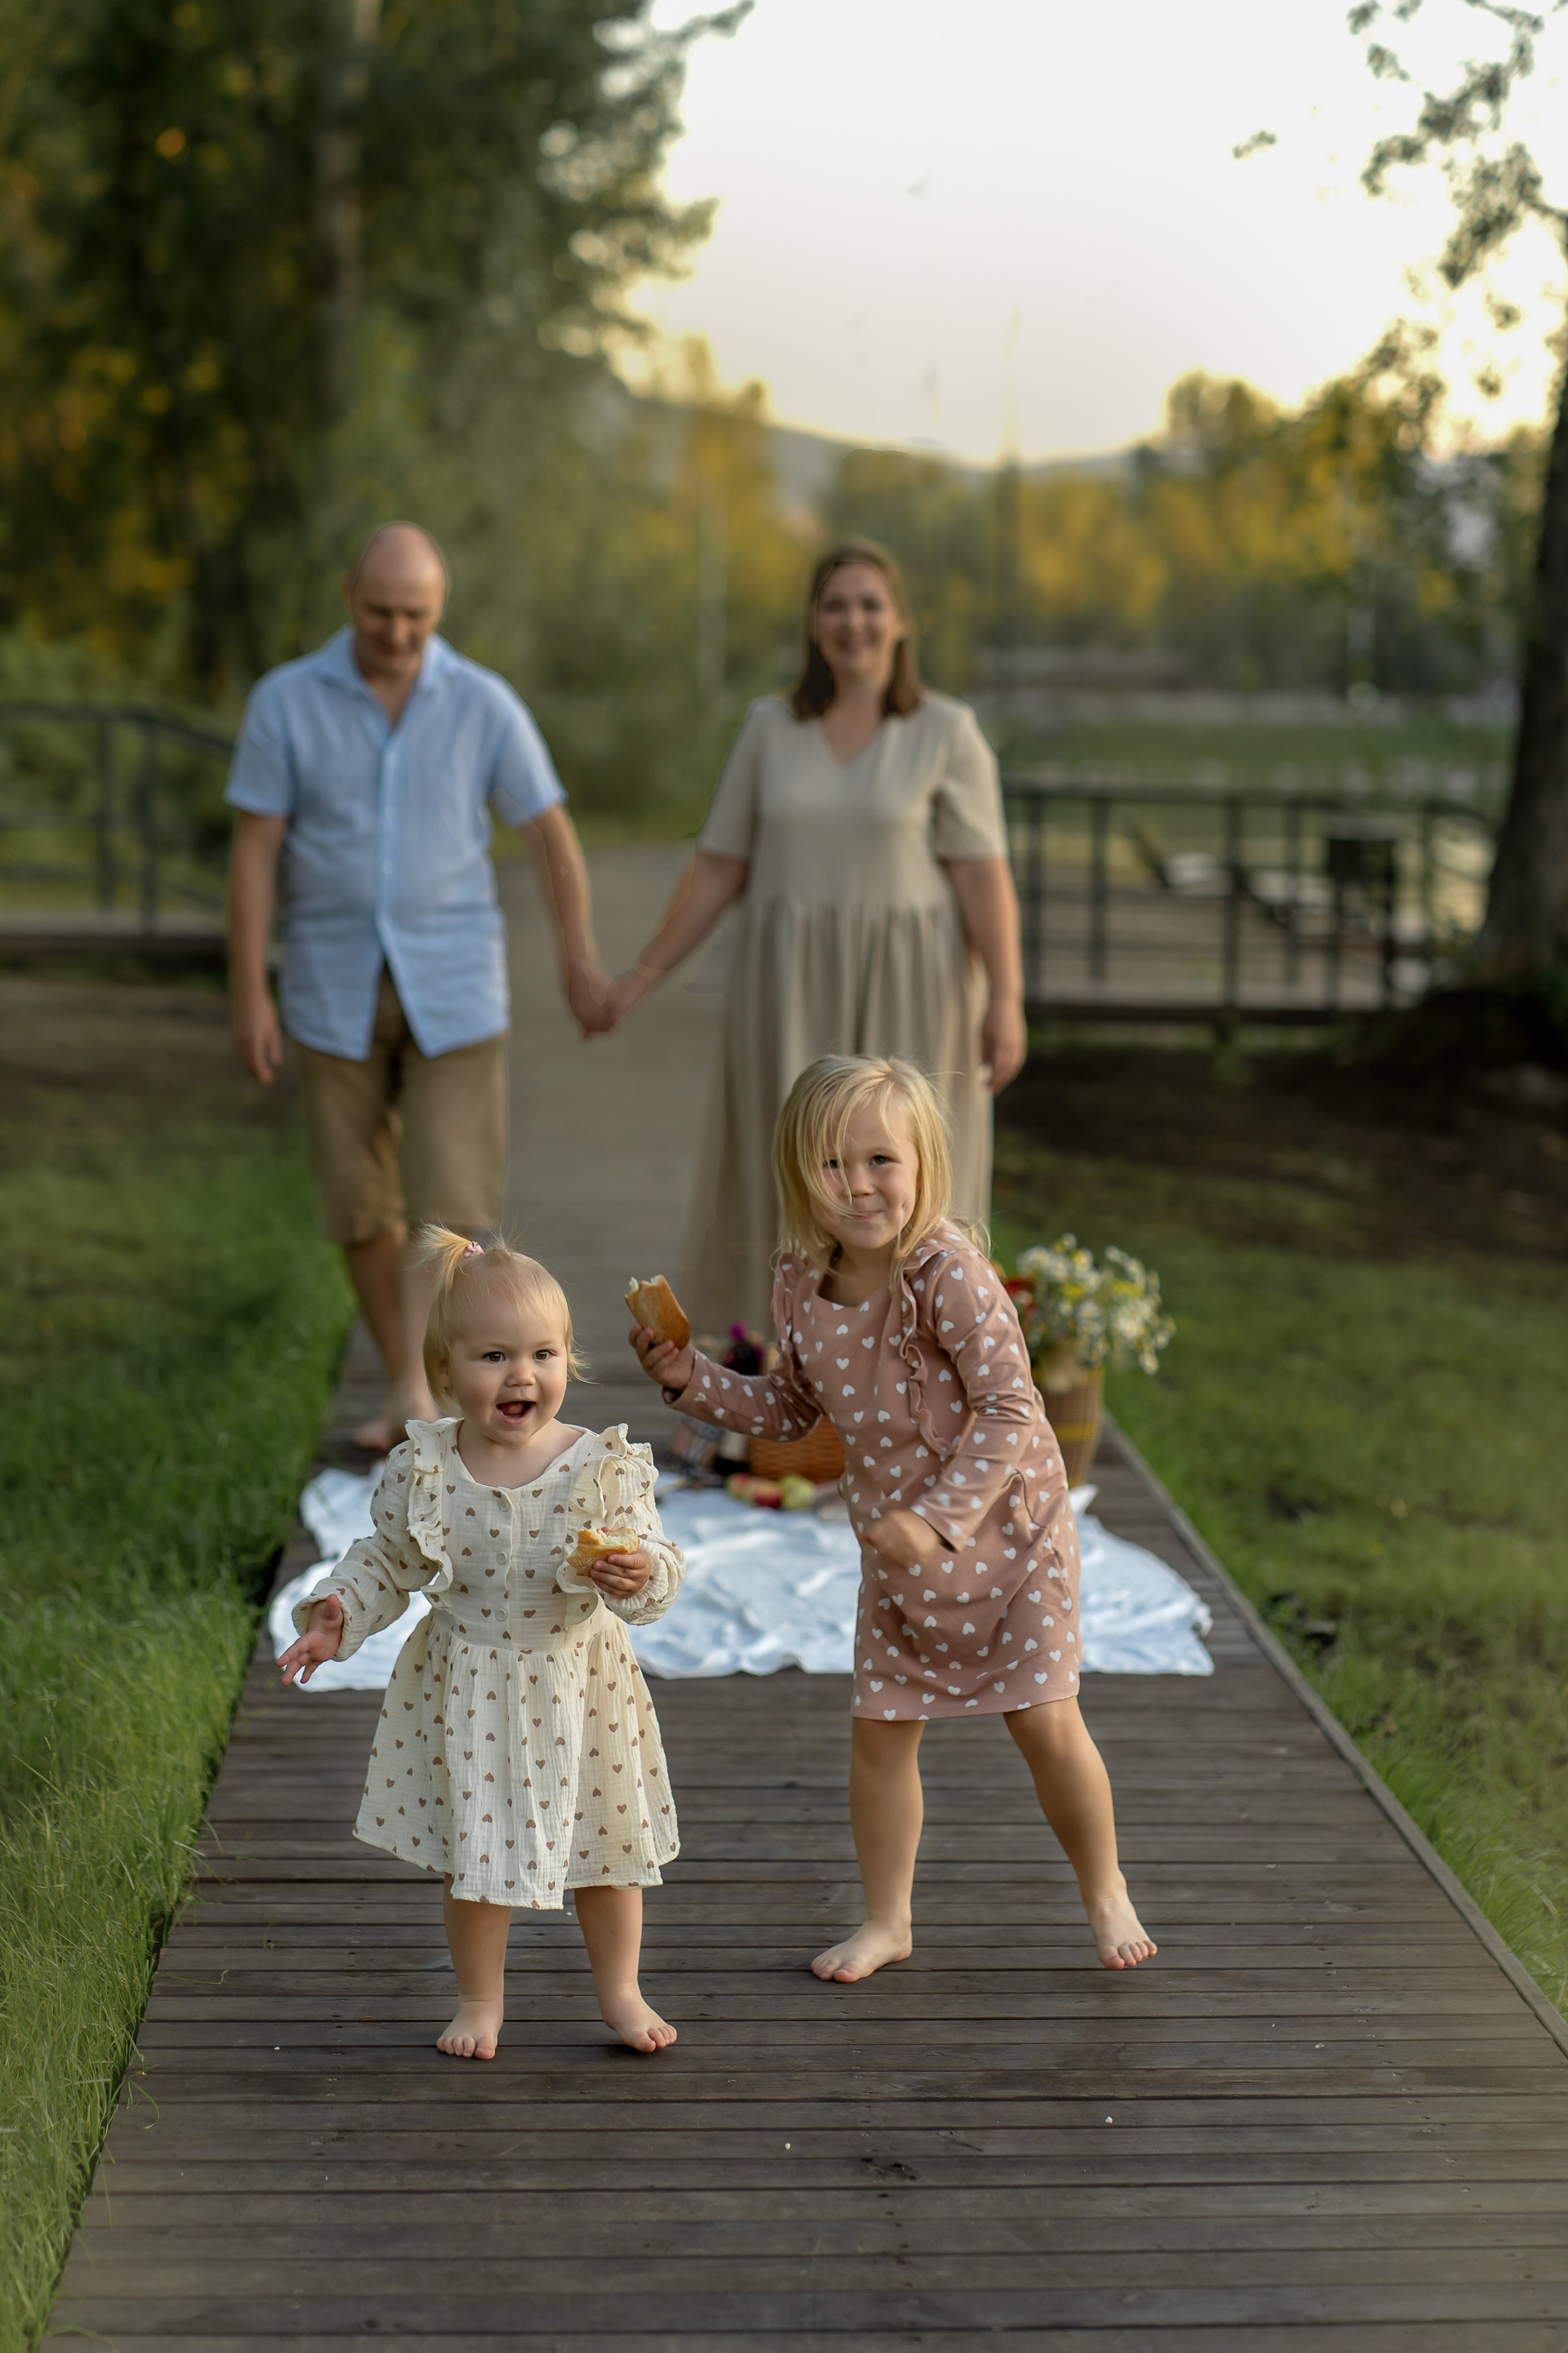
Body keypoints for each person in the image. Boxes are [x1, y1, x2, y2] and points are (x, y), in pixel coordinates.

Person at [630, 1054, 1155, 1984]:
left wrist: (940, 1518)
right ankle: (888, 1918)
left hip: (1007, 1531)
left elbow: (1010, 1407)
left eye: (882, 1160)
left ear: (922, 1167)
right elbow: (792, 1410)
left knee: (1046, 1720)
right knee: (880, 1732)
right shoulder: (800, 1281)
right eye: (835, 1164)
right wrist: (690, 1381)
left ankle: (1106, 1886)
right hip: (903, 1553)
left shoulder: (946, 1272)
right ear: (800, 1173)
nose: (860, 1184)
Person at [226, 521, 608, 1452]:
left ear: (439, 610)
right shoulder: (286, 701)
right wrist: (249, 991)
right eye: (381, 611)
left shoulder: (482, 702)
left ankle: (430, 1390)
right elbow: (256, 848)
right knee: (358, 1204)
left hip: (456, 987)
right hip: (329, 985)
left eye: (418, 615)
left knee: (454, 1203)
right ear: (349, 597)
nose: (398, 632)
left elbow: (549, 832)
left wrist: (578, 959)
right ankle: (406, 1376)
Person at [601, 538, 1027, 1334]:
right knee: (794, 1173)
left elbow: (981, 875)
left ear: (900, 622)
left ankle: (921, 1376)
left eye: (871, 604)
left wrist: (1007, 997)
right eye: (836, 605)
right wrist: (638, 976)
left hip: (915, 984)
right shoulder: (770, 726)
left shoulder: (946, 731)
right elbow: (720, 867)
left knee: (907, 1177)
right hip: (789, 981)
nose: (853, 621)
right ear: (813, 623)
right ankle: (783, 1382)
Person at [277, 1231, 684, 2059]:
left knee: (609, 1848)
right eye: (493, 1355)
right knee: (476, 1850)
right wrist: (338, 1612)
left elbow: (658, 1563)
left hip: (581, 1682)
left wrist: (639, 1572)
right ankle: (480, 1996)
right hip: (471, 1684)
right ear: (445, 1369)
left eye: (542, 1352)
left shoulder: (600, 1467)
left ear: (570, 1358)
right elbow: (387, 1560)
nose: (520, 1374)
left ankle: (620, 1988)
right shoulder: (429, 1468)